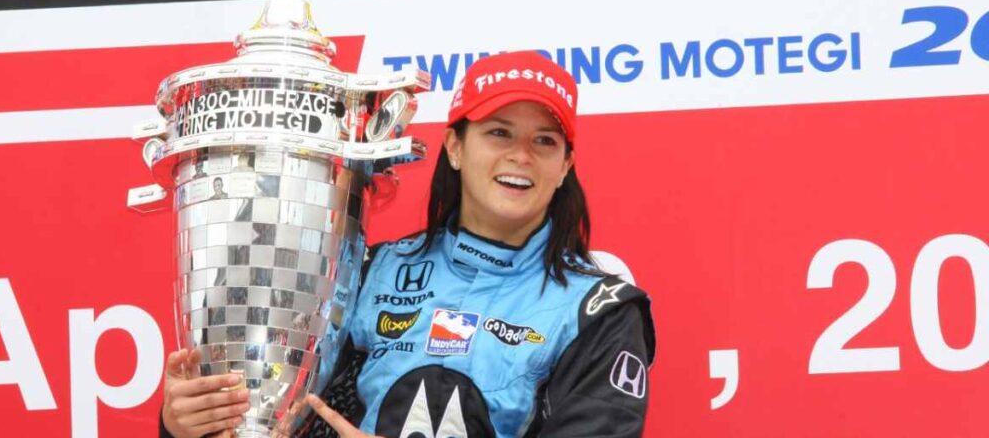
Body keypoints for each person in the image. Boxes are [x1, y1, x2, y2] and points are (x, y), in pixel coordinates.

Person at [160, 51, 656, 437]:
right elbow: (289, 415)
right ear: (456, 147)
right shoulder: (368, 272)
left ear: (566, 165)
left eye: (544, 141)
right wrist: (195, 423)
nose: (520, 156)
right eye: (499, 133)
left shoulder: (598, 311)